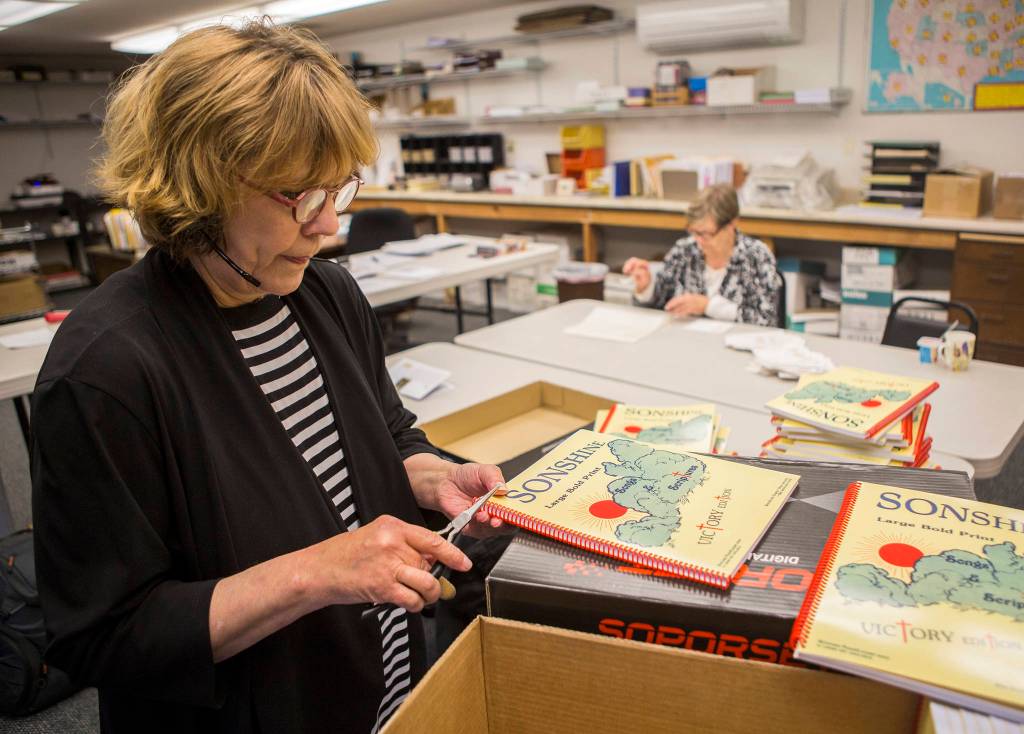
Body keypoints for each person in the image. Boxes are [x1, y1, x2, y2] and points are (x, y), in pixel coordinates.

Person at [31, 21, 505, 734]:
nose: (328, 226)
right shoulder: (105, 371)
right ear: (200, 186)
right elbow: (103, 635)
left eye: (338, 191)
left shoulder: (328, 293)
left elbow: (388, 433)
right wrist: (315, 573)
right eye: (298, 196)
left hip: (381, 687)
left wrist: (429, 475)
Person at [623, 184, 781, 326]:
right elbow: (659, 301)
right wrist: (646, 287)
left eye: (705, 234)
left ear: (731, 224)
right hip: (686, 341)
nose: (698, 240)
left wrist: (708, 306)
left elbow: (765, 319)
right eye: (694, 231)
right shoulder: (685, 250)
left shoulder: (756, 257)